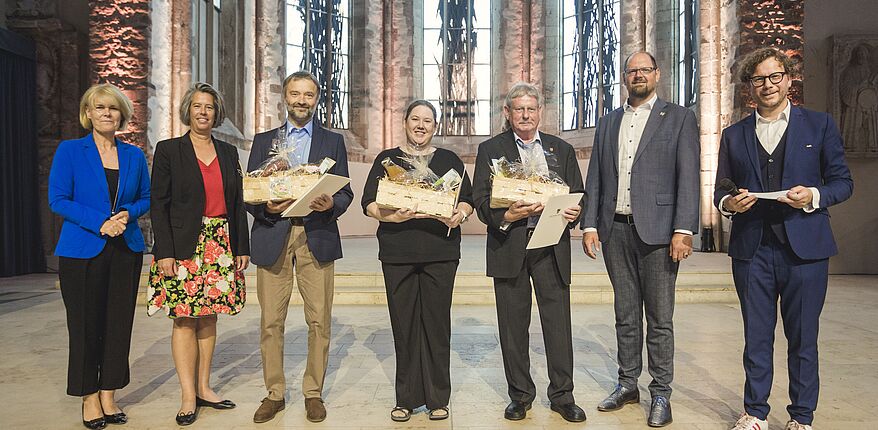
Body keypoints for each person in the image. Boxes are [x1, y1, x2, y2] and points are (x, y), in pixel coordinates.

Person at [716, 48, 853, 430]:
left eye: (775, 76)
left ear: (789, 79)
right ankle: (755, 412)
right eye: (759, 79)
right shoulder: (734, 135)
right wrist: (730, 203)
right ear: (750, 86)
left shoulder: (819, 125)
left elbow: (842, 182)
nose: (768, 85)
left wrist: (813, 195)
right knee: (756, 336)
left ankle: (801, 417)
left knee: (803, 337)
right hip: (752, 249)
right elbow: (721, 191)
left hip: (805, 250)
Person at [580, 51, 700, 427]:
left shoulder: (678, 117)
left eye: (645, 70)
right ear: (624, 77)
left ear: (657, 74)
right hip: (615, 229)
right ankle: (627, 383)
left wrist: (683, 229)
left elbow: (688, 175)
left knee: (660, 318)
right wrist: (589, 224)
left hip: (660, 233)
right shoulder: (608, 121)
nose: (638, 76)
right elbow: (597, 176)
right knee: (625, 314)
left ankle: (660, 392)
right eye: (632, 71)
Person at [471, 82, 586, 423]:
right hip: (510, 244)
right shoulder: (490, 149)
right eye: (518, 109)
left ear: (540, 112)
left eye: (531, 109)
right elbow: (480, 199)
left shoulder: (561, 149)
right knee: (512, 326)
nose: (525, 115)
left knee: (557, 324)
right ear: (507, 113)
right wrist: (506, 215)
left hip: (551, 245)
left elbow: (578, 193)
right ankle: (520, 396)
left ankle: (563, 396)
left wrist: (575, 211)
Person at [248, 71, 353, 424]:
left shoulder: (332, 141)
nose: (301, 101)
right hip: (274, 233)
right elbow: (249, 191)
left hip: (316, 235)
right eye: (295, 94)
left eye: (308, 95)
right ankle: (274, 393)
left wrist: (332, 204)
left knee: (319, 319)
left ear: (317, 99)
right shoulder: (264, 141)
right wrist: (266, 207)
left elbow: (345, 192)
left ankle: (313, 392)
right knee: (270, 321)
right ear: (285, 97)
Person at [361, 100, 474, 422]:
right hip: (398, 253)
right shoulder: (387, 160)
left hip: (441, 252)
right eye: (415, 119)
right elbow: (368, 203)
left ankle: (438, 398)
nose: (420, 125)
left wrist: (460, 214)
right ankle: (406, 399)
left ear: (435, 127)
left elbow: (467, 200)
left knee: (437, 326)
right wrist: (392, 217)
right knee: (404, 326)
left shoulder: (449, 160)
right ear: (405, 123)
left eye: (427, 120)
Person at [147, 82, 251, 426]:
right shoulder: (169, 150)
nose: (203, 112)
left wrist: (241, 246)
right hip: (183, 245)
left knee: (209, 317)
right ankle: (187, 395)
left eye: (209, 106)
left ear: (216, 113)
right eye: (197, 106)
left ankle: (205, 387)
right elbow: (158, 204)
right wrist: (164, 251)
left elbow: (237, 203)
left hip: (220, 242)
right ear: (187, 111)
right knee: (184, 318)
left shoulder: (228, 152)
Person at [48, 83, 150, 429]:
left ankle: (109, 393)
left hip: (125, 248)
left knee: (119, 325)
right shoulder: (70, 151)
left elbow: (146, 198)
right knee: (85, 326)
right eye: (100, 107)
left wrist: (127, 214)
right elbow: (58, 199)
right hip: (82, 251)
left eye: (113, 108)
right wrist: (100, 222)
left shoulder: (134, 155)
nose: (107, 113)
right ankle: (88, 396)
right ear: (88, 113)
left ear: (122, 114)